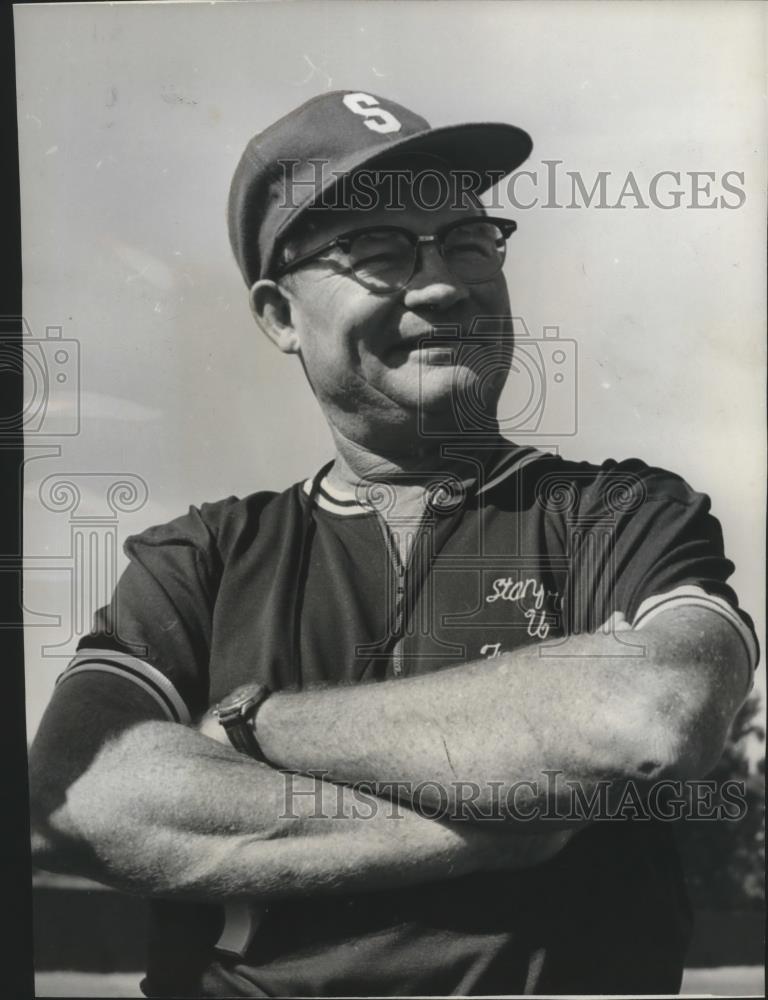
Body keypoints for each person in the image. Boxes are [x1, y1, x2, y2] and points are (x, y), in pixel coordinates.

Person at [29, 91, 757, 997]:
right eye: (377, 253)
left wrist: (256, 725)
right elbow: (82, 793)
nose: (445, 282)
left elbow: (648, 716)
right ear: (280, 315)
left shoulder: (620, 510)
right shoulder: (200, 558)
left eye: (467, 239)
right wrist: (499, 824)